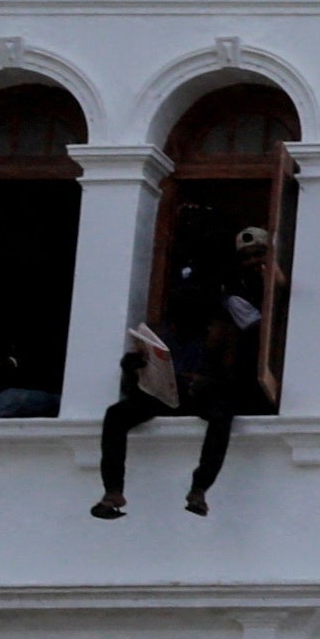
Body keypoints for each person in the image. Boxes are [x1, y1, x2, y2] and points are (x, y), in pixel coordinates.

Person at [94, 222, 281, 519]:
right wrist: (133, 366)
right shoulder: (161, 331)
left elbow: (234, 375)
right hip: (163, 395)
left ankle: (200, 488)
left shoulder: (220, 331)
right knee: (116, 415)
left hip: (199, 396)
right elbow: (136, 377)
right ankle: (112, 490)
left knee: (222, 414)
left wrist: (207, 381)